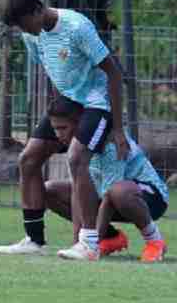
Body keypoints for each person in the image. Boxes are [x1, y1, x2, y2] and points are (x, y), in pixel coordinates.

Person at [0, 0, 129, 260]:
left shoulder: (77, 27)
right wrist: (57, 111)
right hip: (69, 101)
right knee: (28, 158)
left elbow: (114, 73)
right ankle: (34, 239)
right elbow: (53, 72)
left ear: (37, 9)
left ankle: (89, 243)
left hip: (96, 103)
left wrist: (117, 128)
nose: (23, 30)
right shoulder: (32, 36)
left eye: (23, 23)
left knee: (77, 158)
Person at [41, 97, 169, 263]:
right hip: (111, 197)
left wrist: (90, 245)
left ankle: (155, 241)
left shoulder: (110, 146)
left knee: (119, 191)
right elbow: (78, 194)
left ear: (81, 124)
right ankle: (111, 238)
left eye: (63, 128)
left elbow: (109, 197)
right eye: (55, 129)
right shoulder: (77, 149)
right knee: (49, 190)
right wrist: (77, 243)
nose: (59, 135)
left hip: (150, 198)